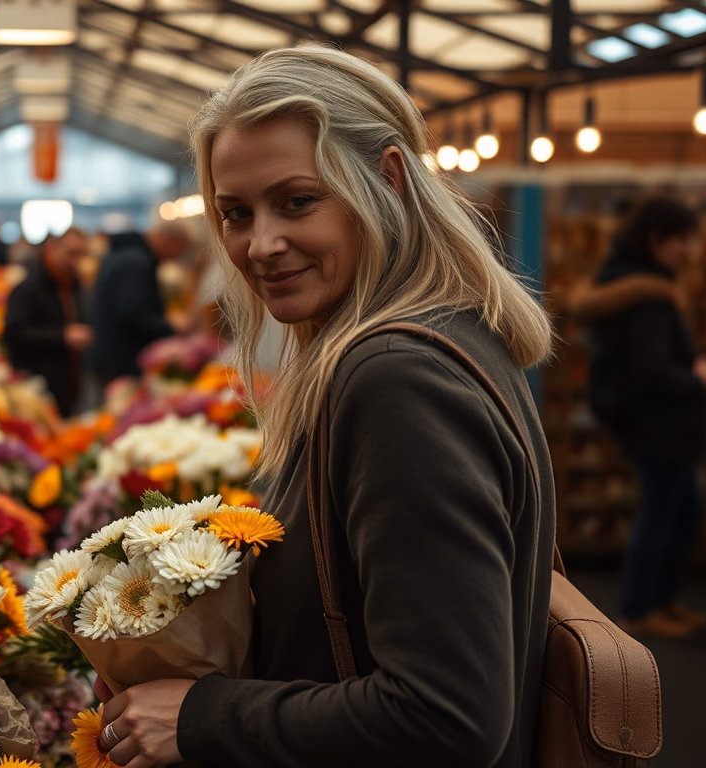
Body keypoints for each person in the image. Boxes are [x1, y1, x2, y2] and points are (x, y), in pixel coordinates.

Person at [93, 47, 556, 768]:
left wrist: (203, 716)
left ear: (389, 180)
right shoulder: (438, 336)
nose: (261, 245)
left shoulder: (397, 380)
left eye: (298, 201)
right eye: (236, 213)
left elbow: (449, 717)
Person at [581, 197, 706, 638]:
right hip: (659, 425)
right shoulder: (648, 296)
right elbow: (652, 370)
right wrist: (698, 376)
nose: (688, 250)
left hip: (647, 422)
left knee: (679, 507)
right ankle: (640, 609)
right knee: (663, 512)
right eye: (681, 240)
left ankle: (659, 600)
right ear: (656, 239)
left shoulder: (629, 284)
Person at [88, 222, 192, 384]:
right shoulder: (136, 263)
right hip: (122, 361)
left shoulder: (125, 254)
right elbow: (133, 313)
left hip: (111, 355)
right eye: (179, 248)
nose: (176, 256)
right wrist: (170, 327)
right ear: (165, 239)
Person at [4, 228, 92, 416]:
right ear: (52, 248)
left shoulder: (76, 285)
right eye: (71, 254)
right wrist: (62, 336)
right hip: (35, 389)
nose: (76, 261)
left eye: (81, 255)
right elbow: (13, 333)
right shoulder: (28, 288)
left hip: (69, 386)